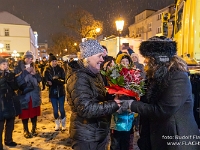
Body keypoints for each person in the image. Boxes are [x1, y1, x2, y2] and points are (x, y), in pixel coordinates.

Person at [115, 36, 200, 150]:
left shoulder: (178, 77)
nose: (145, 61)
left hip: (176, 141)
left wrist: (131, 105)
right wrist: (125, 98)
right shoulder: (155, 76)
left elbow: (162, 110)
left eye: (149, 58)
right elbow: (144, 100)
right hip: (156, 138)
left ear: (159, 58)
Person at [66, 40, 120, 150]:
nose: (102, 59)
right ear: (88, 57)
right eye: (99, 56)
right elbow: (85, 108)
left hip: (97, 133)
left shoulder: (94, 74)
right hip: (87, 138)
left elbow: (99, 97)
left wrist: (115, 95)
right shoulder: (79, 78)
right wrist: (114, 104)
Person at [14, 51, 42, 138]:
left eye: (31, 58)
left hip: (34, 93)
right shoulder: (18, 68)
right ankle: (26, 130)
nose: (30, 60)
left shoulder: (35, 67)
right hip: (24, 94)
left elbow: (40, 80)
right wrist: (25, 72)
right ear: (24, 58)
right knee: (25, 113)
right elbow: (17, 80)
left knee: (34, 112)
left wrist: (35, 74)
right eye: (28, 58)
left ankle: (34, 129)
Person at [110, 53, 135, 150]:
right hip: (118, 112)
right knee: (116, 141)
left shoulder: (133, 75)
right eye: (122, 62)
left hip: (129, 111)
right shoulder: (115, 74)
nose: (125, 63)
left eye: (127, 61)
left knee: (126, 140)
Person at [0, 57, 19, 150]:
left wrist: (11, 79)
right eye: (3, 64)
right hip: (1, 103)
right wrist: (3, 78)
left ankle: (9, 140)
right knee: (0, 125)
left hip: (10, 101)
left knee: (10, 123)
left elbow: (15, 87)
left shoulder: (11, 74)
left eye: (6, 64)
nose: (5, 66)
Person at [43, 55, 66, 131]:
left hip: (61, 92)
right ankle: (57, 123)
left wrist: (57, 80)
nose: (54, 62)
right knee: (55, 110)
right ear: (49, 62)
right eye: (52, 61)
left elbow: (64, 80)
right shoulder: (47, 71)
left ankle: (63, 123)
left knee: (62, 109)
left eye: (55, 61)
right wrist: (48, 83)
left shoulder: (61, 69)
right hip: (53, 92)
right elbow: (45, 81)